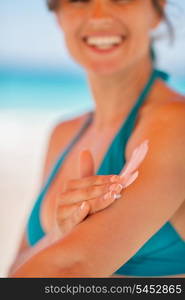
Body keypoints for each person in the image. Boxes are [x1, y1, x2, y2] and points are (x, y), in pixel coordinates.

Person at [8, 0, 185, 277]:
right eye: (79, 0)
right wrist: (58, 235)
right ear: (59, 16)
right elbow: (16, 268)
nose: (99, 15)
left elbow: (69, 269)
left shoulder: (177, 124)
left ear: (156, 10)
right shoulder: (63, 133)